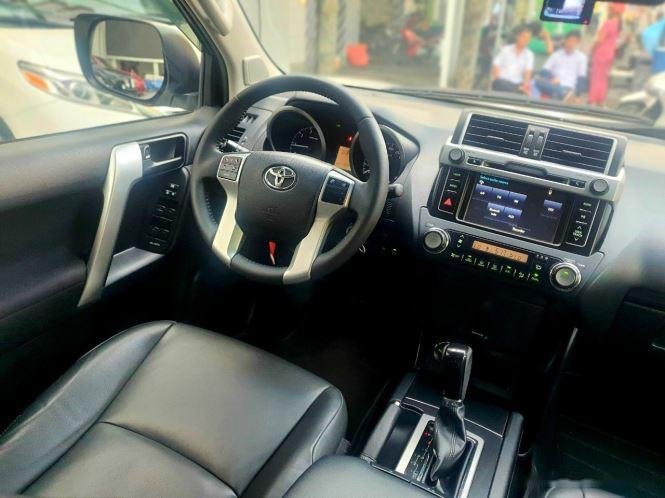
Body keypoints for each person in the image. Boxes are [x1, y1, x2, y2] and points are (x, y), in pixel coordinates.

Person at [588, 3, 626, 105]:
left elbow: (600, 40)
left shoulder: (608, 23)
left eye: (609, 8)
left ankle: (592, 99)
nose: (608, 10)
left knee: (596, 76)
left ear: (613, 10)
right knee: (603, 78)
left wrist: (592, 47)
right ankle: (600, 99)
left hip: (601, 52)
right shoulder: (619, 24)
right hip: (610, 54)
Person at [535, 30, 588, 100]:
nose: (570, 44)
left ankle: (563, 94)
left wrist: (578, 96)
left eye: (574, 41)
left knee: (556, 95)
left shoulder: (582, 58)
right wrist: (553, 77)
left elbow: (581, 78)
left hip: (569, 87)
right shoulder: (556, 54)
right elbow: (544, 70)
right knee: (537, 81)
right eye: (569, 40)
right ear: (565, 40)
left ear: (578, 43)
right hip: (553, 84)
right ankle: (565, 95)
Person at [491, 25, 535, 95]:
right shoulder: (506, 50)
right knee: (497, 82)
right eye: (524, 37)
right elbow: (496, 65)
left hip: (517, 83)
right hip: (502, 81)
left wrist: (526, 84)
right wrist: (497, 78)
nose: (526, 40)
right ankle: (518, 90)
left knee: (525, 86)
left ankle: (518, 90)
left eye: (528, 38)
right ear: (518, 37)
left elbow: (528, 72)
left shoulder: (529, 55)